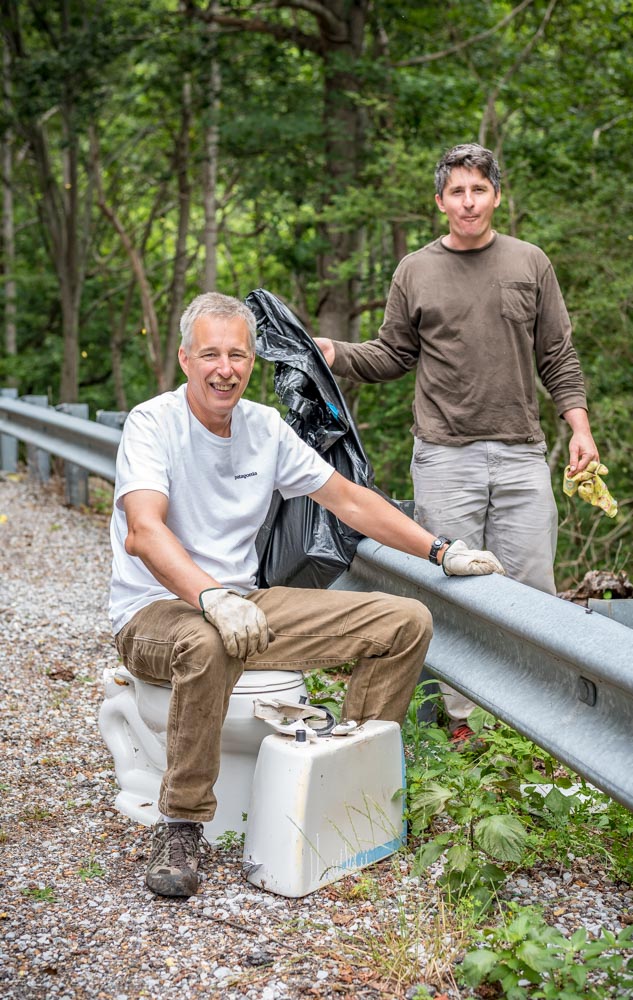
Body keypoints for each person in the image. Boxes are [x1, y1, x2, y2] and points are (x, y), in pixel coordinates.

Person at [109, 291, 505, 898]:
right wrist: (212, 598)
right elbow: (145, 531)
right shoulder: (152, 422)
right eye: (210, 354)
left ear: (251, 361)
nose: (225, 368)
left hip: (248, 603)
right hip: (160, 612)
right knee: (207, 645)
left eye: (238, 354)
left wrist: (440, 550)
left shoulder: (264, 427)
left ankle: (346, 784)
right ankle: (183, 824)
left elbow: (348, 499)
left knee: (405, 622)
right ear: (185, 359)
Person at [314, 142, 599, 745]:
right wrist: (337, 353)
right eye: (457, 192)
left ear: (496, 195)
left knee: (533, 593)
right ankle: (464, 726)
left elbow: (557, 355)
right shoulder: (415, 271)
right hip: (444, 456)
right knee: (457, 591)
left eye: (480, 190)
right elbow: (394, 354)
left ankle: (532, 732)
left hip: (523, 452)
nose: (469, 202)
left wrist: (579, 427)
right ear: (440, 201)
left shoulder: (530, 263)